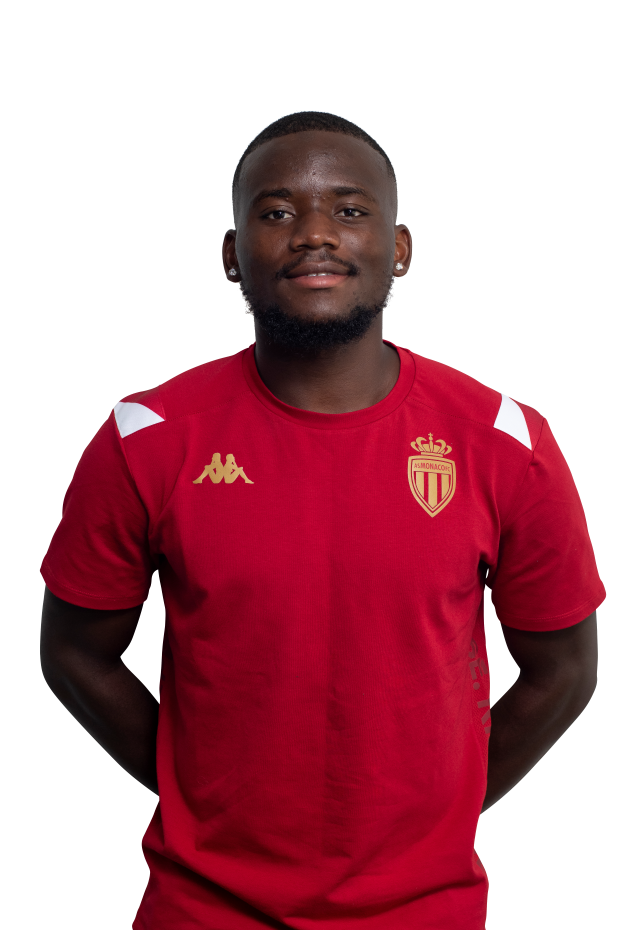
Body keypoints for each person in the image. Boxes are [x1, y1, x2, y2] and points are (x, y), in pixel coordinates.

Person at [40, 111, 604, 929]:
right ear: (231, 255)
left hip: (427, 914)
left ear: (399, 248)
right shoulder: (146, 436)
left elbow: (564, 672)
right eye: (276, 212)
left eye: (349, 209)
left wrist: (441, 813)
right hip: (202, 911)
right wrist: (199, 792)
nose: (313, 234)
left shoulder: (505, 440)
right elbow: (74, 655)